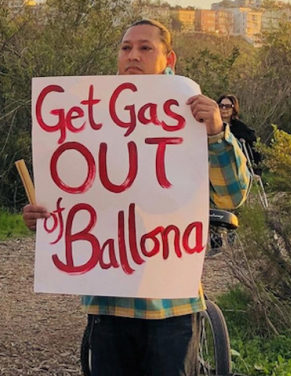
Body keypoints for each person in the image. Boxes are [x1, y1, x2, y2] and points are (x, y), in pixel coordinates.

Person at [21, 19, 251, 375]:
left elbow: (232, 196)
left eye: (145, 48)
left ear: (167, 57)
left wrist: (217, 134)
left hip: (172, 303)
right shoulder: (89, 113)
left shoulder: (192, 114)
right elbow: (74, 198)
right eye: (126, 47)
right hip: (109, 304)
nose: (133, 55)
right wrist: (44, 217)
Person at [218, 94, 263, 175]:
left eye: (228, 106)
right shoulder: (213, 127)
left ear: (233, 109)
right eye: (221, 106)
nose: (224, 109)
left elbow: (255, 150)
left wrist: (257, 171)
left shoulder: (242, 129)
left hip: (239, 169)